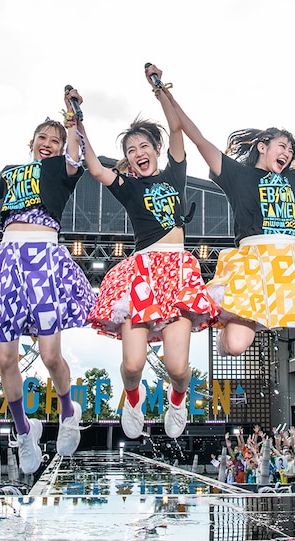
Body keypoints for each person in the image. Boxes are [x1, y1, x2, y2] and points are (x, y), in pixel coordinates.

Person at [167, 81, 295, 357]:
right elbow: (198, 139)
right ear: (262, 146)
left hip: (293, 262)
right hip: (254, 264)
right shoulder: (236, 175)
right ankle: (225, 337)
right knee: (235, 345)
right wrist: (165, 93)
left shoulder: (292, 179)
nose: (287, 152)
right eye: (281, 146)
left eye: (289, 151)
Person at [79, 66, 217, 440]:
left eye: (144, 147)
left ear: (155, 152)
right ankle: (133, 398)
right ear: (126, 159)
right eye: (130, 150)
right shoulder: (126, 185)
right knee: (132, 363)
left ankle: (177, 399)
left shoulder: (174, 175)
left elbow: (175, 130)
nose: (139, 153)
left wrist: (159, 90)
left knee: (177, 367)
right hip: (142, 273)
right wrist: (78, 119)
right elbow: (94, 167)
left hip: (178, 272)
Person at [0, 88, 94, 473]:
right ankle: (23, 431)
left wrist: (73, 117)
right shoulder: (9, 174)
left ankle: (69, 411)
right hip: (7, 259)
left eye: (55, 140)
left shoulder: (62, 170)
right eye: (43, 138)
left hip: (44, 258)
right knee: (6, 359)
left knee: (51, 355)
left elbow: (74, 151)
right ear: (32, 141)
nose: (49, 144)